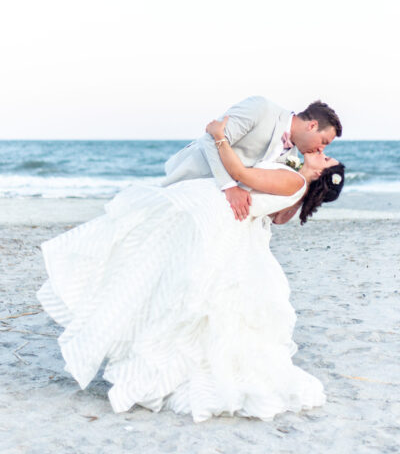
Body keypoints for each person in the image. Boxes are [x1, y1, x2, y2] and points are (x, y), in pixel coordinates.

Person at [36, 117, 345, 423]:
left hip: (214, 218)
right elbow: (274, 213)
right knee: (169, 278)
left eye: (326, 155)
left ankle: (154, 357)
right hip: (220, 219)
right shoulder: (294, 176)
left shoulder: (296, 181)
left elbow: (240, 174)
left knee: (164, 274)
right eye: (325, 147)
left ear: (320, 173)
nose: (321, 150)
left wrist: (219, 135)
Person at [162, 96, 342, 222]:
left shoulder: (292, 158)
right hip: (191, 177)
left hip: (216, 206)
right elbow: (210, 138)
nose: (321, 149)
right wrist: (229, 187)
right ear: (312, 126)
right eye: (324, 141)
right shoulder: (261, 109)